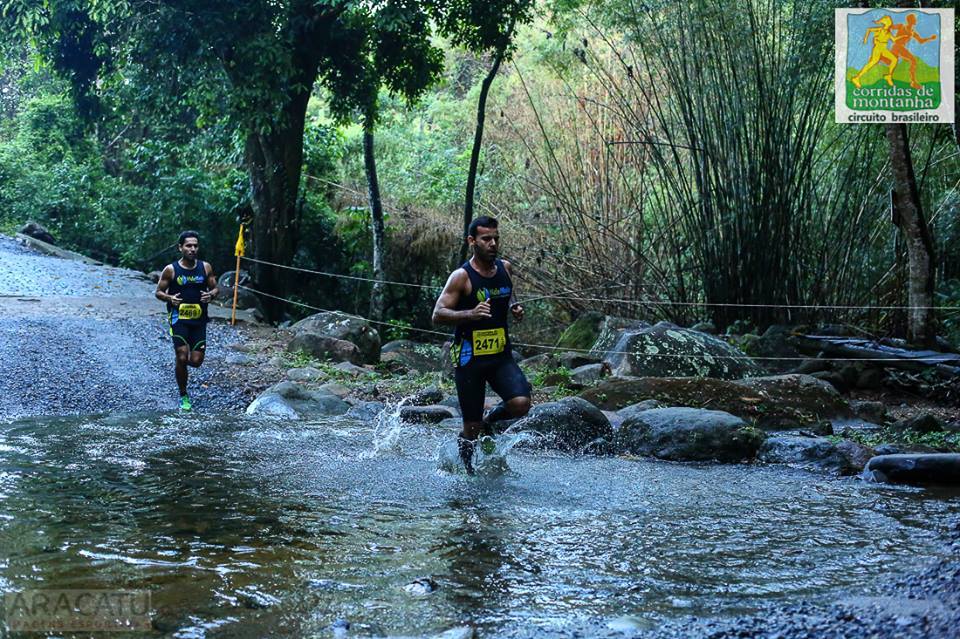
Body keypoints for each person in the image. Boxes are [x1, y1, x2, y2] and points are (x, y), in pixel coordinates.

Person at [432, 216, 532, 474]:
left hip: (500, 355)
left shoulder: (505, 268)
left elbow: (509, 292)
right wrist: (470, 314)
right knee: (470, 428)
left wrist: (514, 307)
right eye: (486, 239)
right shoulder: (461, 277)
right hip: (470, 359)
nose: (493, 243)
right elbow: (438, 314)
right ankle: (468, 473)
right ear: (472, 241)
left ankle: (490, 422)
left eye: (496, 238)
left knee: (521, 403)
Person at [155, 231, 219, 411]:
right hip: (178, 319)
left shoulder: (205, 267)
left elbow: (215, 289)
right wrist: (169, 299)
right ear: (180, 247)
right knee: (182, 356)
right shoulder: (171, 269)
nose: (192, 249)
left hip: (199, 321)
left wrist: (210, 295)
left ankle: (180, 364)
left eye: (195, 246)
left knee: (196, 361)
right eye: (188, 245)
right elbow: (158, 292)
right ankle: (183, 395)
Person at [889, 13, 937, 90]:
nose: (916, 20)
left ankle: (913, 82)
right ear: (910, 20)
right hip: (897, 47)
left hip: (898, 48)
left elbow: (920, 41)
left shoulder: (912, 32)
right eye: (914, 19)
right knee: (913, 60)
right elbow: (890, 27)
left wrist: (930, 38)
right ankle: (913, 82)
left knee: (889, 62)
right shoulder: (901, 26)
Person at [851, 15, 898, 89]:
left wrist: (904, 36)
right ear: (886, 23)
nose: (890, 23)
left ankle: (889, 76)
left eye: (890, 22)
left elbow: (894, 39)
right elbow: (869, 29)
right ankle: (857, 78)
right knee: (873, 62)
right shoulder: (880, 29)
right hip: (878, 48)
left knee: (894, 59)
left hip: (883, 49)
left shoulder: (888, 33)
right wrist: (865, 38)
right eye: (889, 22)